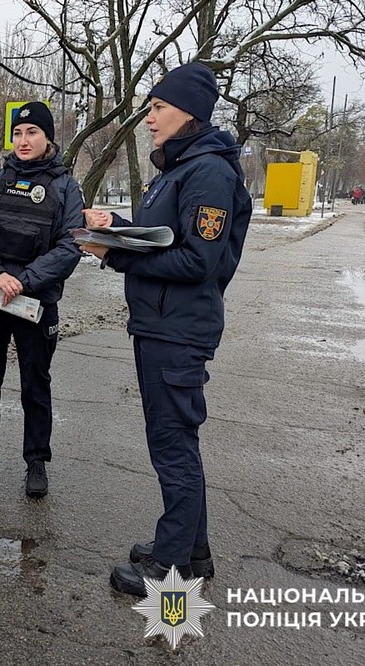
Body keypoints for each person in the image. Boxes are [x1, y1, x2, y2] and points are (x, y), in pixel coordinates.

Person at [80, 62, 251, 596]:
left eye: (157, 108)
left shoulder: (209, 173)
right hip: (160, 325)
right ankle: (192, 551)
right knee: (174, 441)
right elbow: (161, 237)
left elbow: (197, 260)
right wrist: (116, 227)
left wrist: (114, 255)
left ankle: (171, 566)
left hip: (178, 330)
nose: (149, 119)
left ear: (189, 111)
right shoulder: (180, 168)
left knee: (173, 446)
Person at [0, 101, 84, 498]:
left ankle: (36, 461)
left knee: (35, 383)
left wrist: (25, 281)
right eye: (18, 133)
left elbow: (70, 245)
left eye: (32, 132)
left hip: (36, 302)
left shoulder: (65, 188)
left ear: (48, 138)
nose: (23, 140)